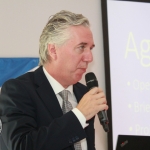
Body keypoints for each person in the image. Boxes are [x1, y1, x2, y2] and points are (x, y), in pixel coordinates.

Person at [0, 10, 108, 150]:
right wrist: (79, 115)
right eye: (81, 47)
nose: (89, 58)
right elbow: (22, 145)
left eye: (90, 48)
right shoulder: (18, 90)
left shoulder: (83, 93)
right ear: (53, 50)